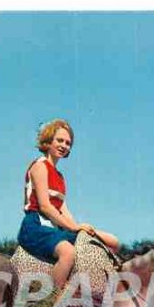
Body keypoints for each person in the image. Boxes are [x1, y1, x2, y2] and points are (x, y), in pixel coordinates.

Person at [17, 119, 120, 296]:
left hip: (55, 227)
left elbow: (63, 210)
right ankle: (50, 300)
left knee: (112, 242)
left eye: (68, 143)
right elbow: (45, 207)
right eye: (60, 140)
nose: (64, 145)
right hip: (35, 226)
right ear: (48, 141)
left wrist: (80, 230)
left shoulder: (60, 177)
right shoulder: (39, 167)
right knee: (68, 252)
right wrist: (73, 227)